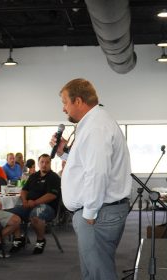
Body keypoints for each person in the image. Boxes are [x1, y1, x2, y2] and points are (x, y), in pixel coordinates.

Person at [50, 78, 131, 280]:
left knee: (98, 274)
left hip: (97, 214)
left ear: (78, 101)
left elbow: (97, 173)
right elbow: (87, 165)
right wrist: (63, 153)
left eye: (65, 102)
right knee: (93, 272)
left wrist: (89, 214)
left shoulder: (96, 127)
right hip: (98, 211)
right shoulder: (92, 123)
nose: (63, 109)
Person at [8, 154, 61, 254]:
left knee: (35, 215)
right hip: (29, 205)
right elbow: (24, 190)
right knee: (11, 213)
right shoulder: (33, 176)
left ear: (50, 164)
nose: (44, 164)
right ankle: (18, 239)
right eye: (42, 162)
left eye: (47, 162)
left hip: (47, 207)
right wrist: (24, 201)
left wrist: (35, 202)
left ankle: (40, 240)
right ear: (38, 163)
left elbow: (51, 195)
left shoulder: (54, 177)